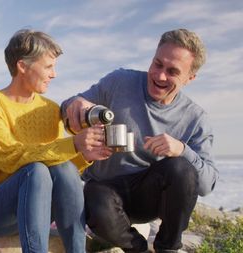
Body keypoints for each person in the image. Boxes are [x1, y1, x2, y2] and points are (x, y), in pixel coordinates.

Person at [61, 28, 218, 253]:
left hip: (147, 196)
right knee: (95, 198)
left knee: (181, 168)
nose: (160, 76)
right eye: (157, 64)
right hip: (104, 191)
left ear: (190, 78)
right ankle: (138, 249)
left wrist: (181, 149)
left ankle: (168, 248)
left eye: (172, 71)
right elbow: (67, 107)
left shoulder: (195, 118)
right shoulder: (120, 82)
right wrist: (76, 104)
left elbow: (207, 184)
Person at [0, 29, 111, 253]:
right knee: (34, 171)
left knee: (62, 168)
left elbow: (58, 168)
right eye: (48, 67)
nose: (54, 74)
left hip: (40, 208)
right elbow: (9, 157)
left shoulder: (51, 109)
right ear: (22, 66)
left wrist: (83, 156)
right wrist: (73, 144)